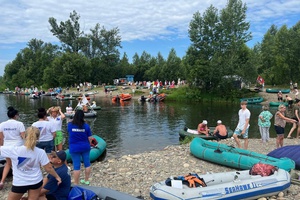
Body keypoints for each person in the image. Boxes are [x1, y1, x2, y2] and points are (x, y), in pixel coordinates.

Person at [0, 126, 61, 200]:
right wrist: (57, 177)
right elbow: (49, 168)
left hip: (20, 182)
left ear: (24, 136)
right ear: (38, 138)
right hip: (35, 182)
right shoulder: (40, 152)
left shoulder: (14, 150)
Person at [0, 107, 26, 190]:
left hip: (6, 146)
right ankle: (20, 180)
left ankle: (2, 181)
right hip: (18, 146)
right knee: (20, 163)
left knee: (8, 164)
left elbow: (1, 138)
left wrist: (1, 147)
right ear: (15, 115)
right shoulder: (19, 124)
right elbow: (23, 137)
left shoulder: (2, 124)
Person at [67, 110, 93, 185]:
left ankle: (76, 183)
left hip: (74, 147)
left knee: (76, 166)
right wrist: (90, 144)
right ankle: (86, 180)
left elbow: (69, 132)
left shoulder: (70, 125)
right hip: (85, 146)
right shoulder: (86, 126)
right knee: (87, 164)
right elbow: (90, 138)